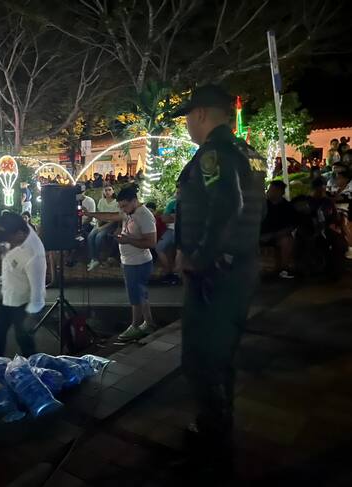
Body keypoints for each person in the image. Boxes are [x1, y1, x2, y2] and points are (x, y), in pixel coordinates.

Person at [173, 85, 266, 470]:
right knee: (221, 355)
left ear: (200, 114)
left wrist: (199, 257)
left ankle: (212, 442)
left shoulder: (215, 153)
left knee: (201, 357)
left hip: (215, 274)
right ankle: (218, 430)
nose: (186, 125)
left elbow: (228, 204)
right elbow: (253, 211)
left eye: (187, 117)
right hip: (240, 268)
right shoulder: (248, 153)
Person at [86, 186, 158, 341]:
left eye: (124, 206)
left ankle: (135, 325)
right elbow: (111, 216)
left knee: (135, 296)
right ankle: (149, 323)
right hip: (130, 261)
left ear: (134, 201)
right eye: (120, 206)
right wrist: (90, 214)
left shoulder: (144, 215)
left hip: (138, 263)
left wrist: (127, 240)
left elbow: (151, 242)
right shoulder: (129, 212)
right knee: (141, 294)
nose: (122, 209)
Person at [0, 212, 46, 358]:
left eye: (10, 241)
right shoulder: (17, 228)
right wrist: (0, 247)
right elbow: (1, 239)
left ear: (20, 234)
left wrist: (31, 316)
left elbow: (38, 291)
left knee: (24, 339)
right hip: (7, 292)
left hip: (23, 302)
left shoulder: (35, 255)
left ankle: (32, 367)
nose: (9, 245)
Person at [259, 180, 298, 278]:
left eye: (272, 190)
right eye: (269, 190)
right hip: (260, 235)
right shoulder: (262, 205)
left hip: (278, 236)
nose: (269, 192)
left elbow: (291, 226)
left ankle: (283, 268)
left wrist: (273, 235)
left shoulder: (287, 207)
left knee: (287, 241)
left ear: (280, 192)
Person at [87, 185, 119, 271]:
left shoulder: (116, 202)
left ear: (113, 191)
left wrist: (102, 228)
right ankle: (94, 259)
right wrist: (98, 225)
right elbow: (99, 214)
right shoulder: (102, 201)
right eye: (106, 190)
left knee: (99, 237)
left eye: (109, 190)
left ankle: (98, 258)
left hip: (111, 223)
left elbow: (114, 219)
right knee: (90, 236)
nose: (107, 192)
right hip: (101, 221)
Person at [156, 184, 181, 283]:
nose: (178, 194)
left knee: (180, 251)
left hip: (184, 231)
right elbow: (164, 218)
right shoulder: (172, 203)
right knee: (159, 247)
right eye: (177, 192)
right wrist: (178, 217)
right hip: (171, 230)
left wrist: (174, 216)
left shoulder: (191, 204)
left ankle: (176, 273)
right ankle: (168, 271)